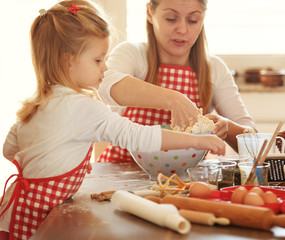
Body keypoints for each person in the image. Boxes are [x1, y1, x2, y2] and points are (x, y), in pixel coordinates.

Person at [0, 1, 225, 239]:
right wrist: (199, 142)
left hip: (12, 211)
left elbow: (9, 150)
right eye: (98, 60)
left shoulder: (33, 106)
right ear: (68, 60)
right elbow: (139, 136)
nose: (105, 68)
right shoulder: (85, 108)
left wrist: (60, 157)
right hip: (36, 219)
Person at [97, 0, 257, 162]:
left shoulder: (214, 69)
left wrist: (228, 128)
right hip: (122, 176)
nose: (182, 29)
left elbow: (257, 144)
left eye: (193, 20)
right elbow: (105, 84)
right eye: (171, 19)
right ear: (149, 13)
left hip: (186, 183)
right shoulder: (133, 54)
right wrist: (174, 99)